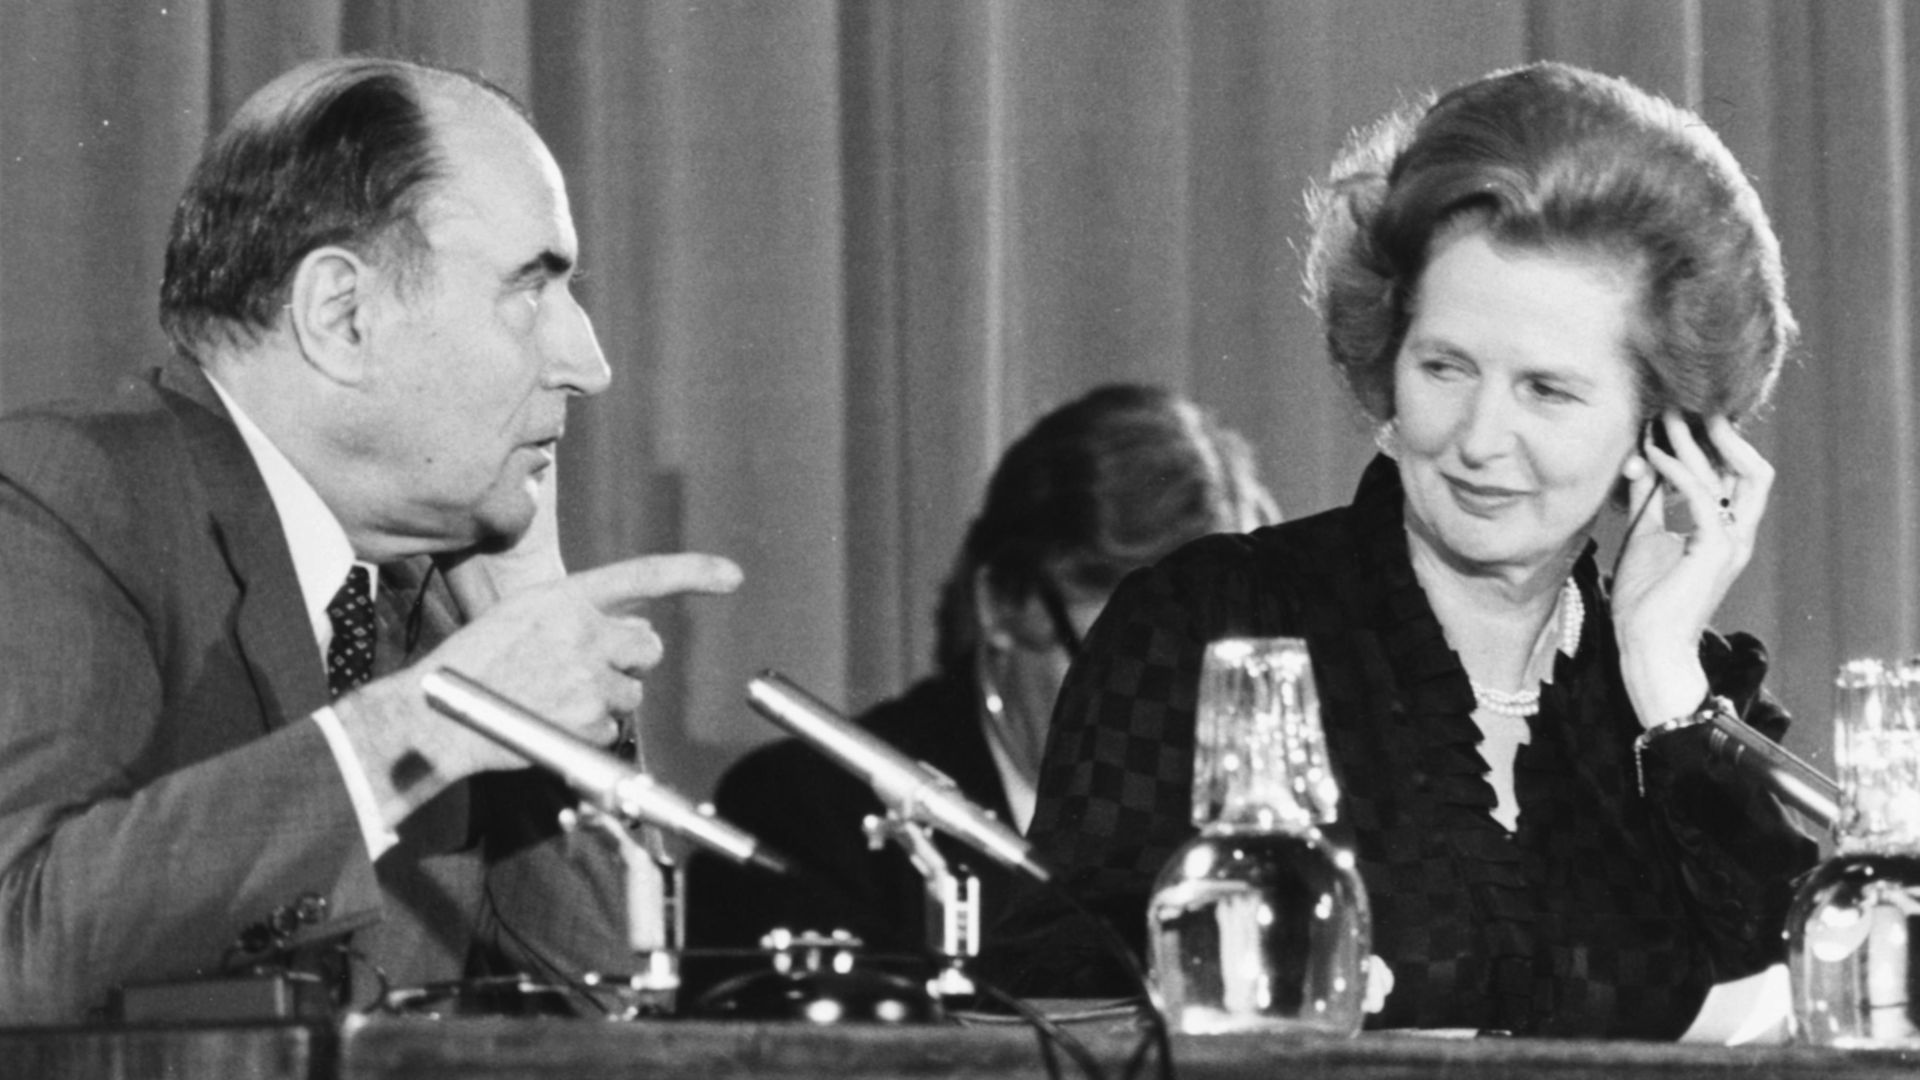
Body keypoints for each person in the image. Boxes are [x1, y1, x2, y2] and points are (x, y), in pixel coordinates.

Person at [981, 62, 1820, 1038]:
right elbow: (1057, 1024)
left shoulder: (1696, 706)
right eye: (1445, 366)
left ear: (1665, 429)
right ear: (1387, 355)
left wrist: (1659, 667)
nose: (1477, 437)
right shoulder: (1202, 629)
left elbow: (1816, 1022)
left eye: (1548, 390)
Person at [0, 57, 742, 1024]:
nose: (589, 363)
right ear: (342, 316)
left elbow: (608, 1019)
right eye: (531, 288)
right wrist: (428, 724)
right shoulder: (59, 502)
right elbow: (21, 946)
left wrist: (530, 622)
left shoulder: (438, 596)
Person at [684, 384, 1278, 990]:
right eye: (1134, 669)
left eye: (1206, 681)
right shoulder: (808, 818)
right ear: (1002, 603)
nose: (1175, 722)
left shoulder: (1251, 841)